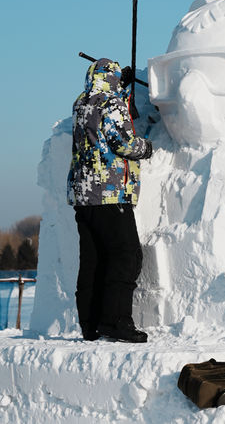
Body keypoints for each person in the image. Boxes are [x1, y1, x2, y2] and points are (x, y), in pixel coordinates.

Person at [67, 58, 153, 343]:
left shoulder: (81, 103)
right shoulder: (112, 103)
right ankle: (116, 321)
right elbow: (123, 143)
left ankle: (90, 324)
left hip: (83, 195)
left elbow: (100, 128)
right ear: (113, 79)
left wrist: (121, 88)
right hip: (109, 192)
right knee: (126, 255)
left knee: (92, 259)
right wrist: (148, 147)